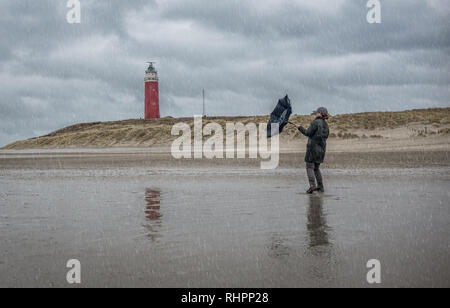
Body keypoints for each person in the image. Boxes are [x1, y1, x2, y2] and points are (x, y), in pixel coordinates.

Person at [298, 107, 330, 194]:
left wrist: (300, 128)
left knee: (309, 167)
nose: (315, 114)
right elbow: (325, 136)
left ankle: (312, 186)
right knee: (316, 168)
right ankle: (320, 187)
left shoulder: (315, 122)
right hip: (322, 149)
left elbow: (308, 133)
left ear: (320, 113)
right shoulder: (326, 125)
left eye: (316, 113)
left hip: (313, 148)